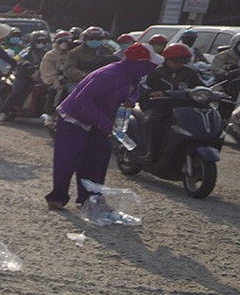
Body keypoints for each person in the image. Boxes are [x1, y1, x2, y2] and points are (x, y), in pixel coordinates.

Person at [45, 43, 159, 210]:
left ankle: (90, 198)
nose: (153, 67)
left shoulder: (131, 74)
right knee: (69, 158)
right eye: (150, 63)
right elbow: (82, 99)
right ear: (139, 63)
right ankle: (57, 197)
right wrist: (103, 122)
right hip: (74, 119)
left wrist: (131, 100)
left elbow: (135, 89)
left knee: (98, 158)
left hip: (98, 120)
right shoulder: (110, 75)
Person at [137, 41, 203, 160]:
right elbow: (141, 86)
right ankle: (150, 152)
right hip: (158, 106)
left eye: (182, 62)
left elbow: (199, 86)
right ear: (166, 58)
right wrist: (151, 92)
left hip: (183, 107)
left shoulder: (189, 72)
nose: (178, 64)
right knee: (151, 121)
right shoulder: (154, 71)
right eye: (175, 61)